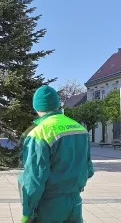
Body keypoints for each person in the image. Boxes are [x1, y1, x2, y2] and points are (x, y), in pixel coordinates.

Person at [18, 85, 94, 223]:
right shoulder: (80, 129)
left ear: (36, 108)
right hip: (75, 201)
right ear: (58, 105)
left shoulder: (39, 133)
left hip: (49, 205)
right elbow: (89, 170)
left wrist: (27, 213)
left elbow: (34, 178)